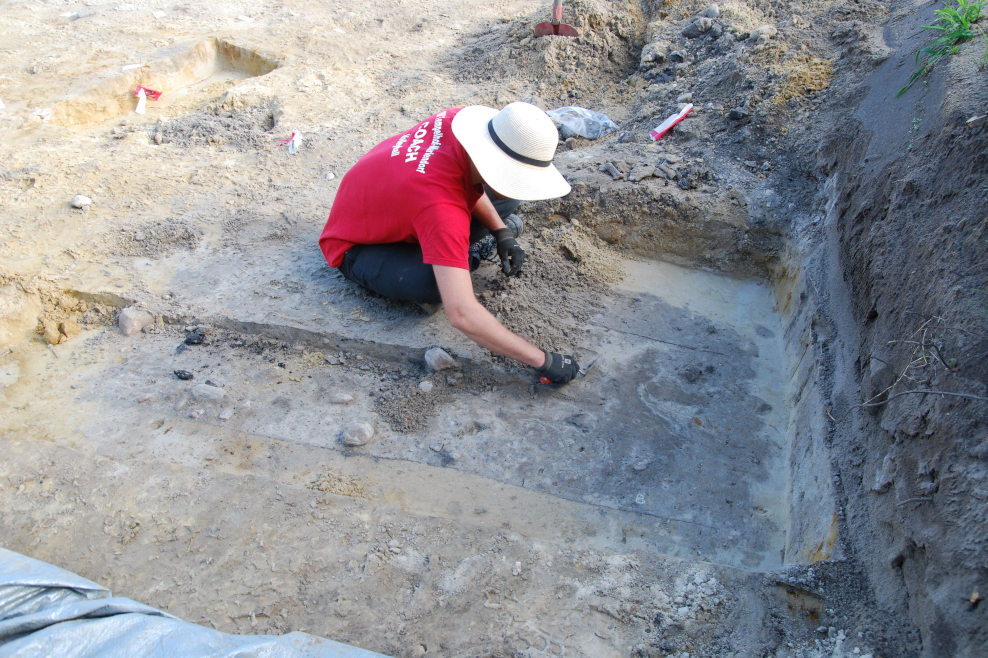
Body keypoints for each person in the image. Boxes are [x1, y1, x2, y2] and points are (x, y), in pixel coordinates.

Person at [319, 102, 580, 384]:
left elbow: (469, 177)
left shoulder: (459, 122)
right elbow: (462, 314)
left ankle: (452, 252)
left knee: (506, 199)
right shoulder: (441, 209)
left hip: (397, 197)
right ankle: (458, 256)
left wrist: (501, 232)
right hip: (355, 243)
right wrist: (543, 360)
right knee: (433, 285)